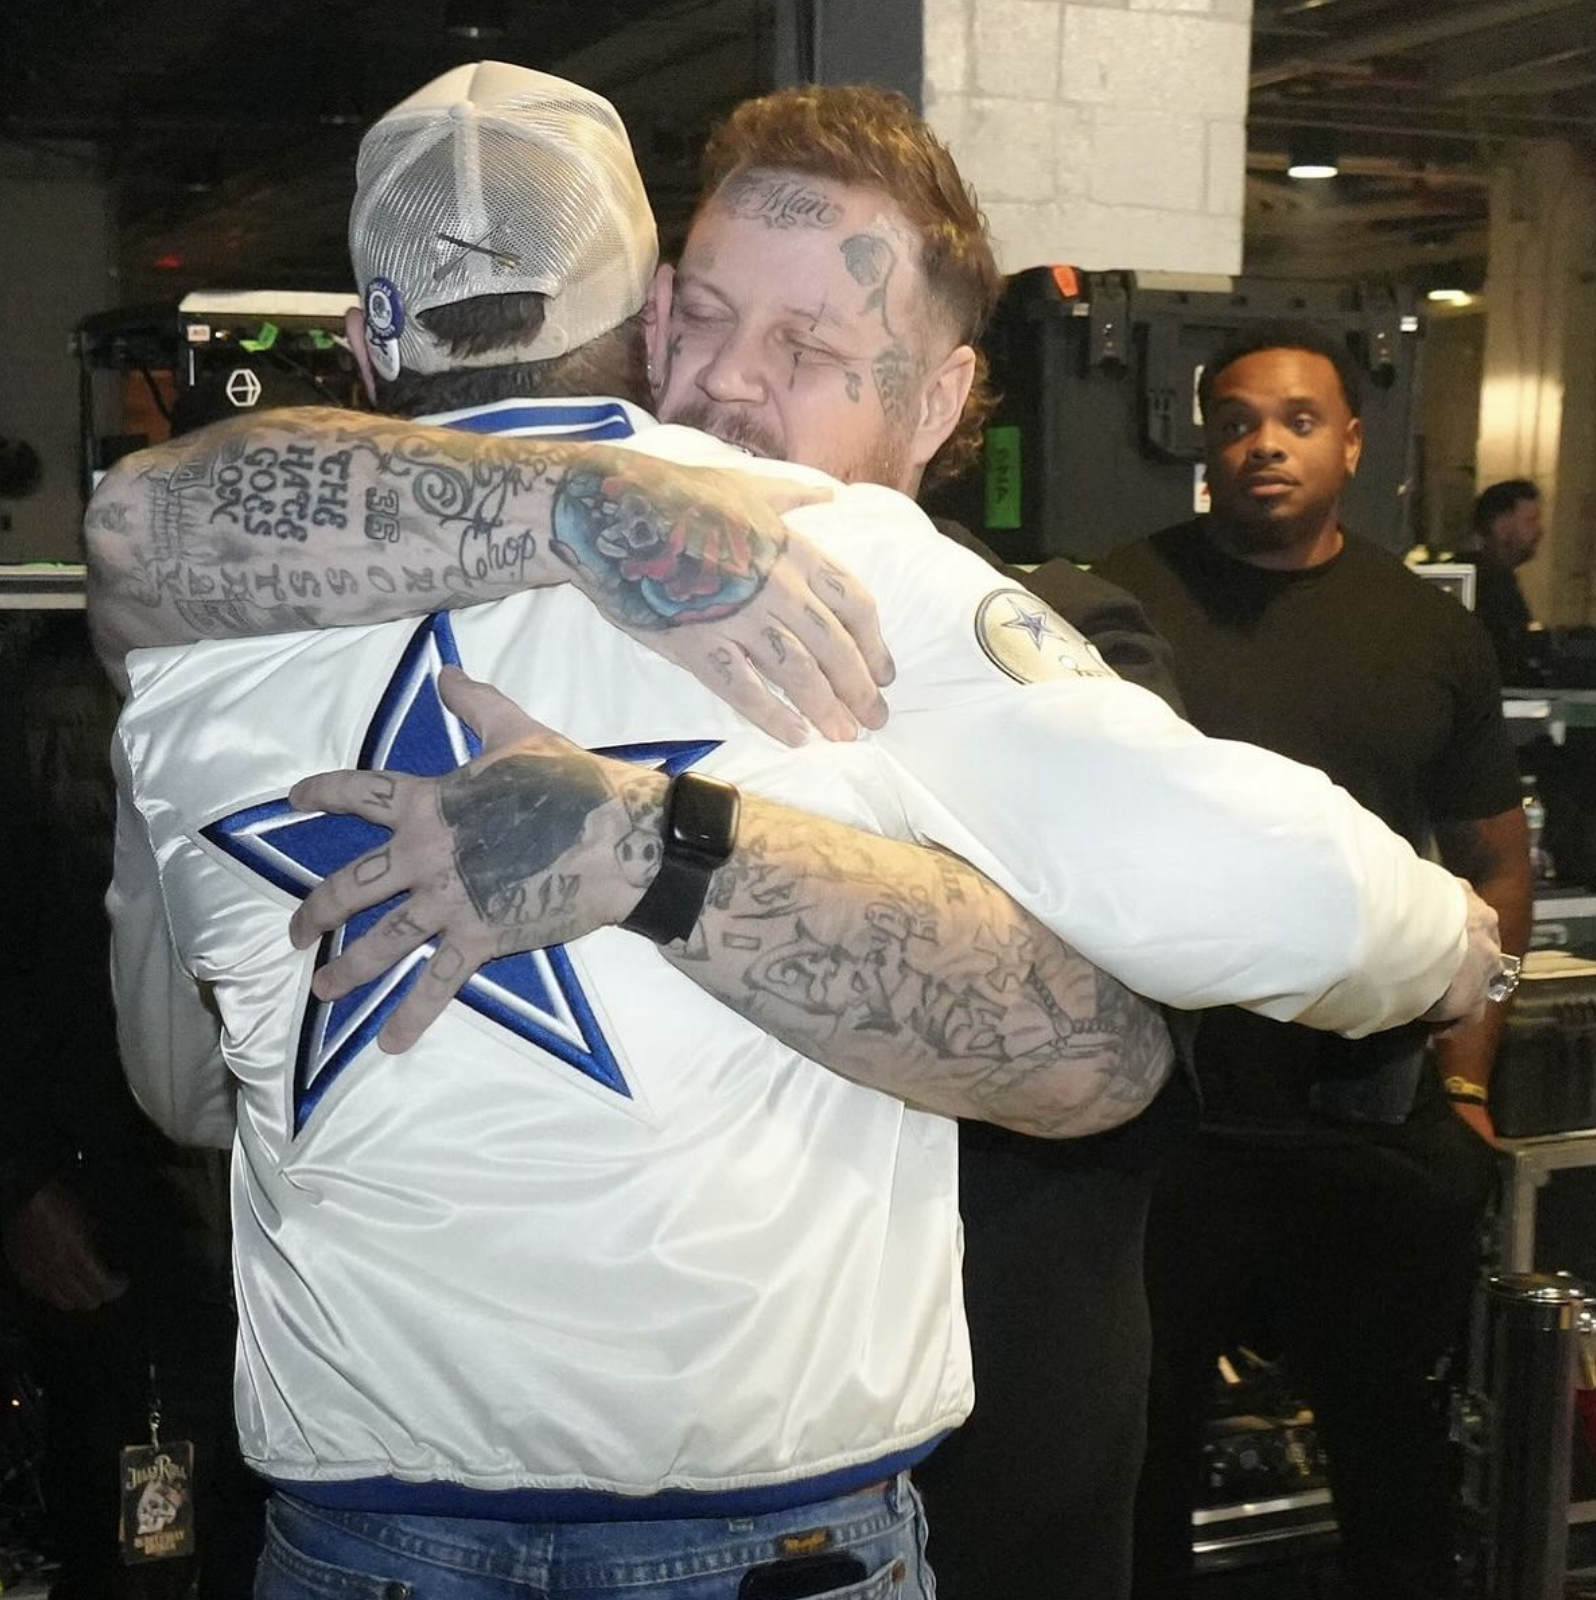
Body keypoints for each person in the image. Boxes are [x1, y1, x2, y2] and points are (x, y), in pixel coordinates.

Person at [88, 78, 1507, 1600]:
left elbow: (184, 1084)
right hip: (768, 1533)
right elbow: (1248, 880)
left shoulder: (195, 626)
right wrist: (1445, 950)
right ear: (647, 309)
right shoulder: (819, 553)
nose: (737, 382)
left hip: (351, 1534)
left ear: (365, 342)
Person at [1097, 322, 1531, 1600]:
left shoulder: (1427, 631)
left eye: (1295, 419)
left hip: (1369, 1123)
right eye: (1235, 421)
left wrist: (1466, 1076)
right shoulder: (1122, 603)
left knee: (1393, 1468)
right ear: (1205, 445)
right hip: (1163, 1124)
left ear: (1351, 440)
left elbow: (1494, 866)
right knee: (1136, 1471)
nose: (1263, 445)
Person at [1466, 477, 1544, 685]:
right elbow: (1513, 652)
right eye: (1530, 521)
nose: (1539, 531)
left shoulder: (1488, 576)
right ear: (1501, 526)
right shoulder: (1493, 582)